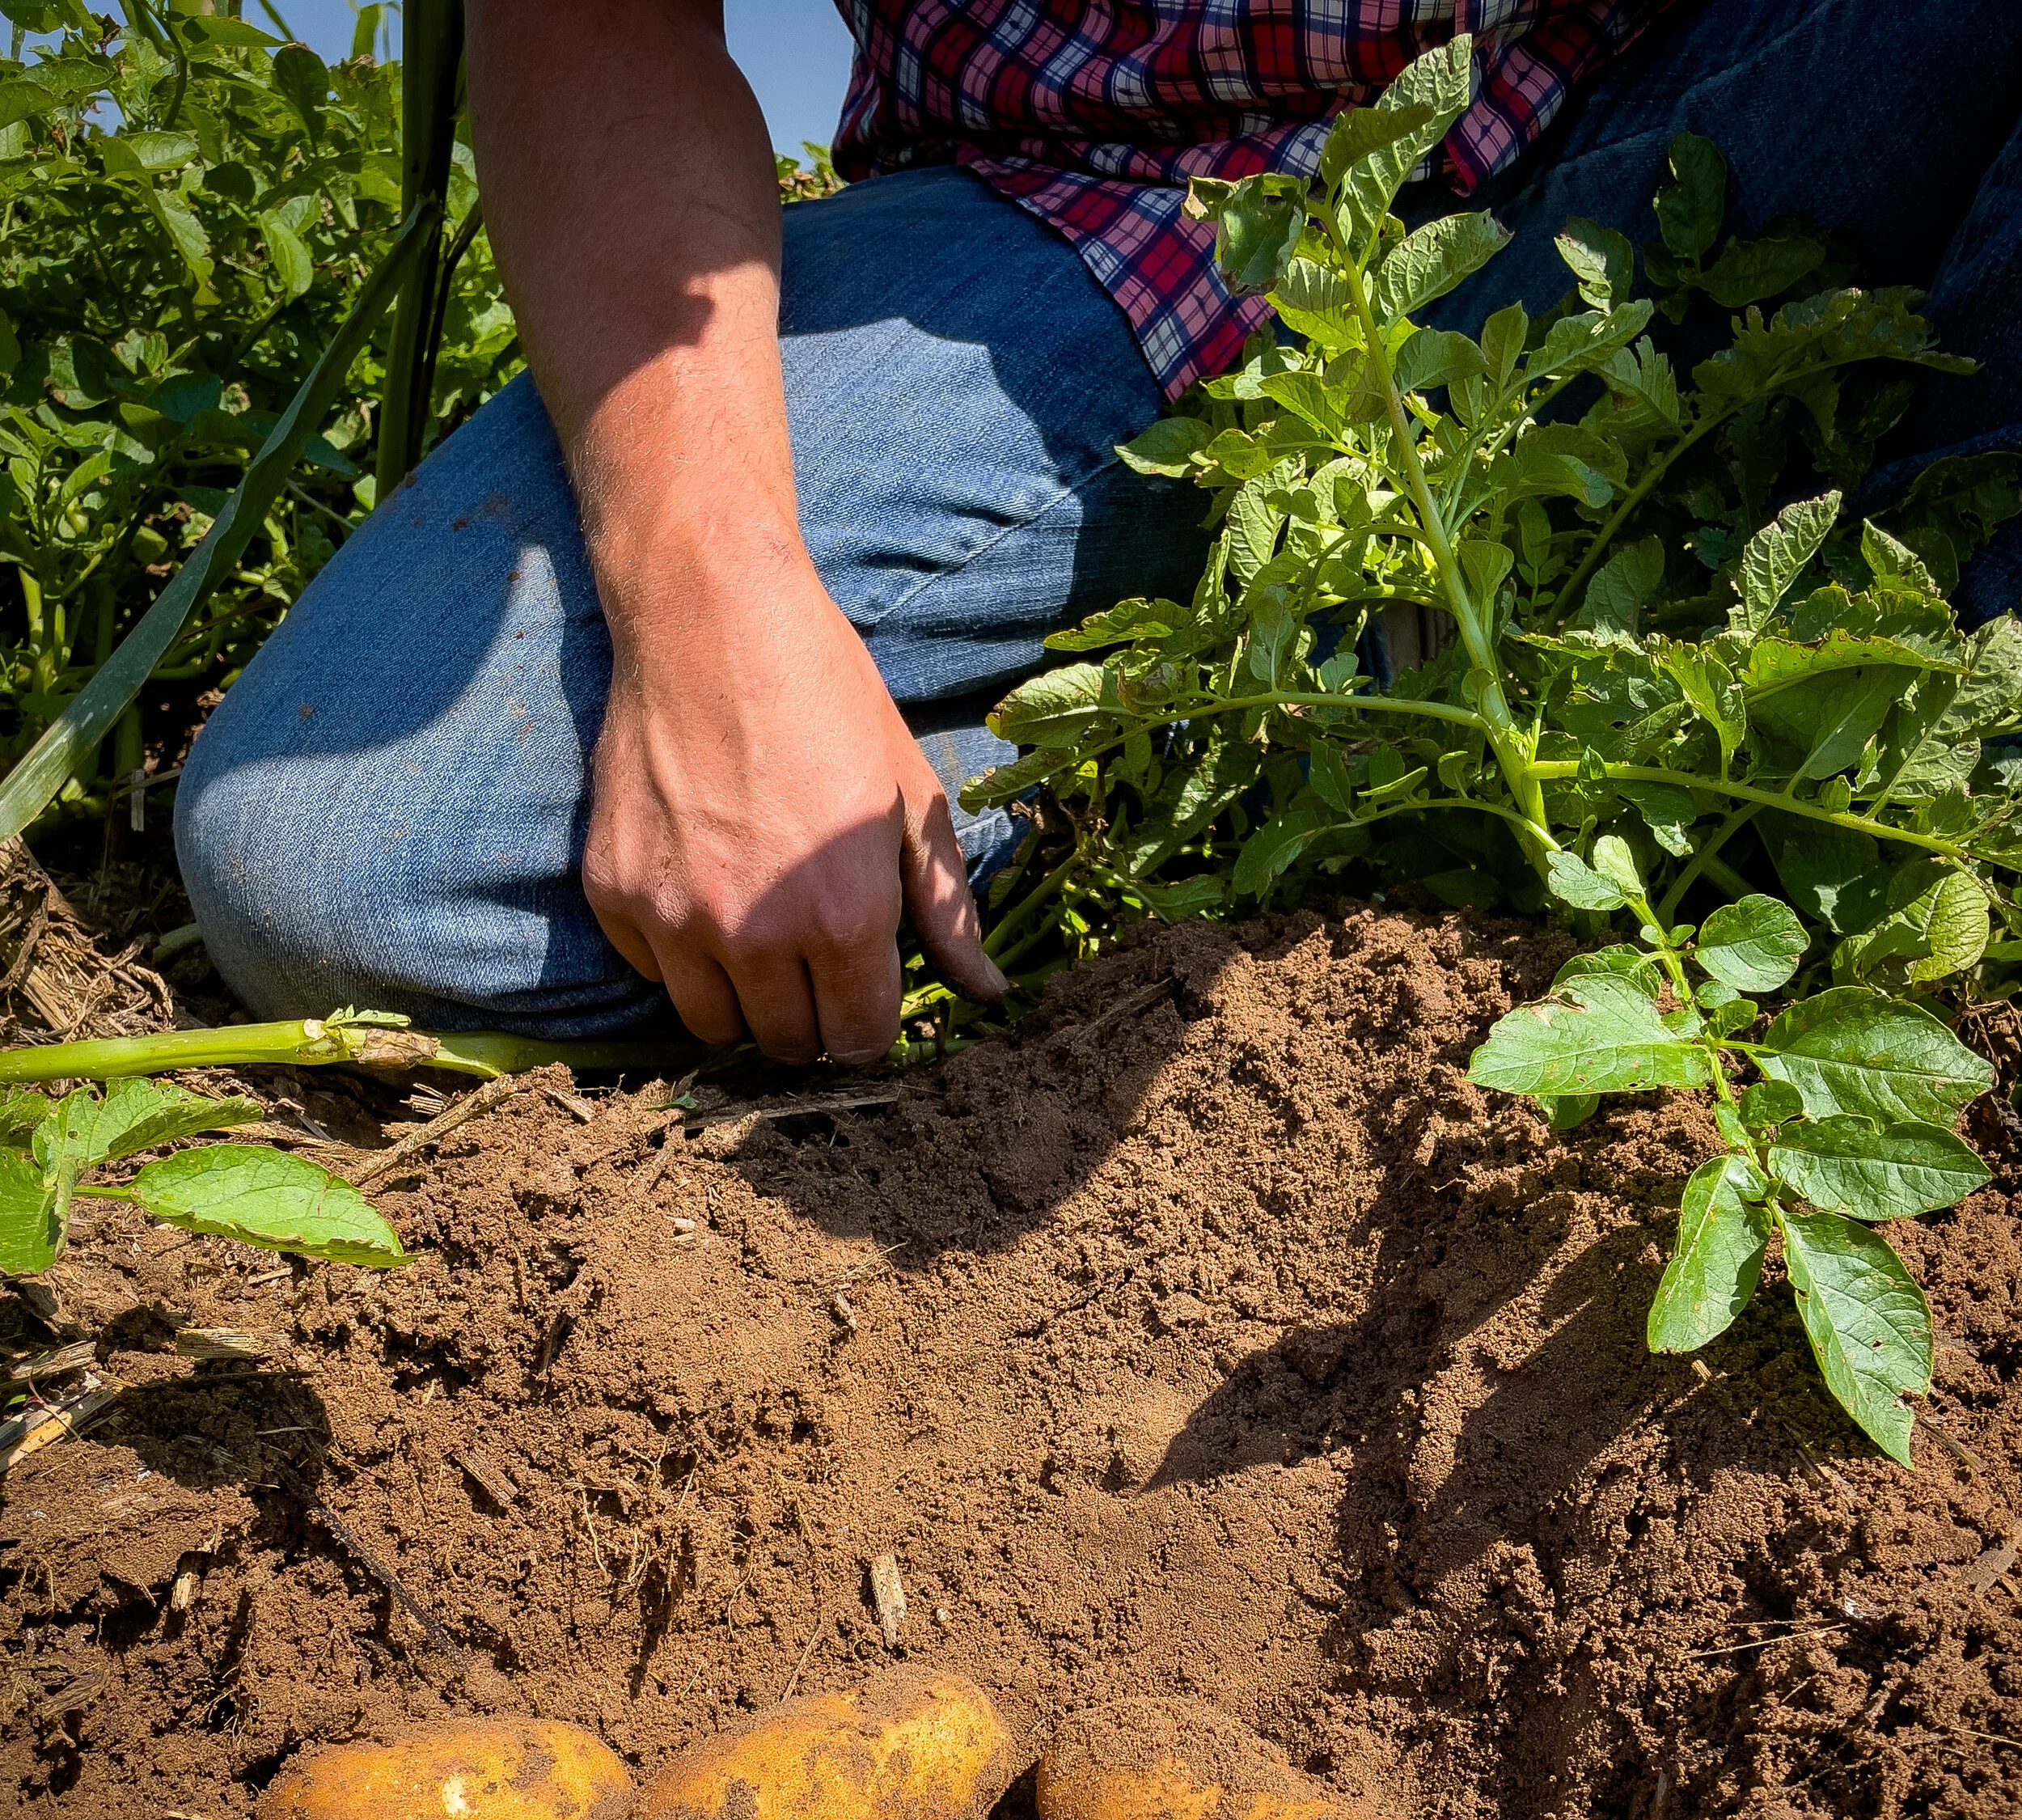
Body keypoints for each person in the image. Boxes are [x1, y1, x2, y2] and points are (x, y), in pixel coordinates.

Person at [176, 0, 2022, 1069]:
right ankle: (1189, 743)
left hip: (1698, 88)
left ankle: (1948, 797)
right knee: (348, 857)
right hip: (1096, 210)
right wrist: (712, 600)